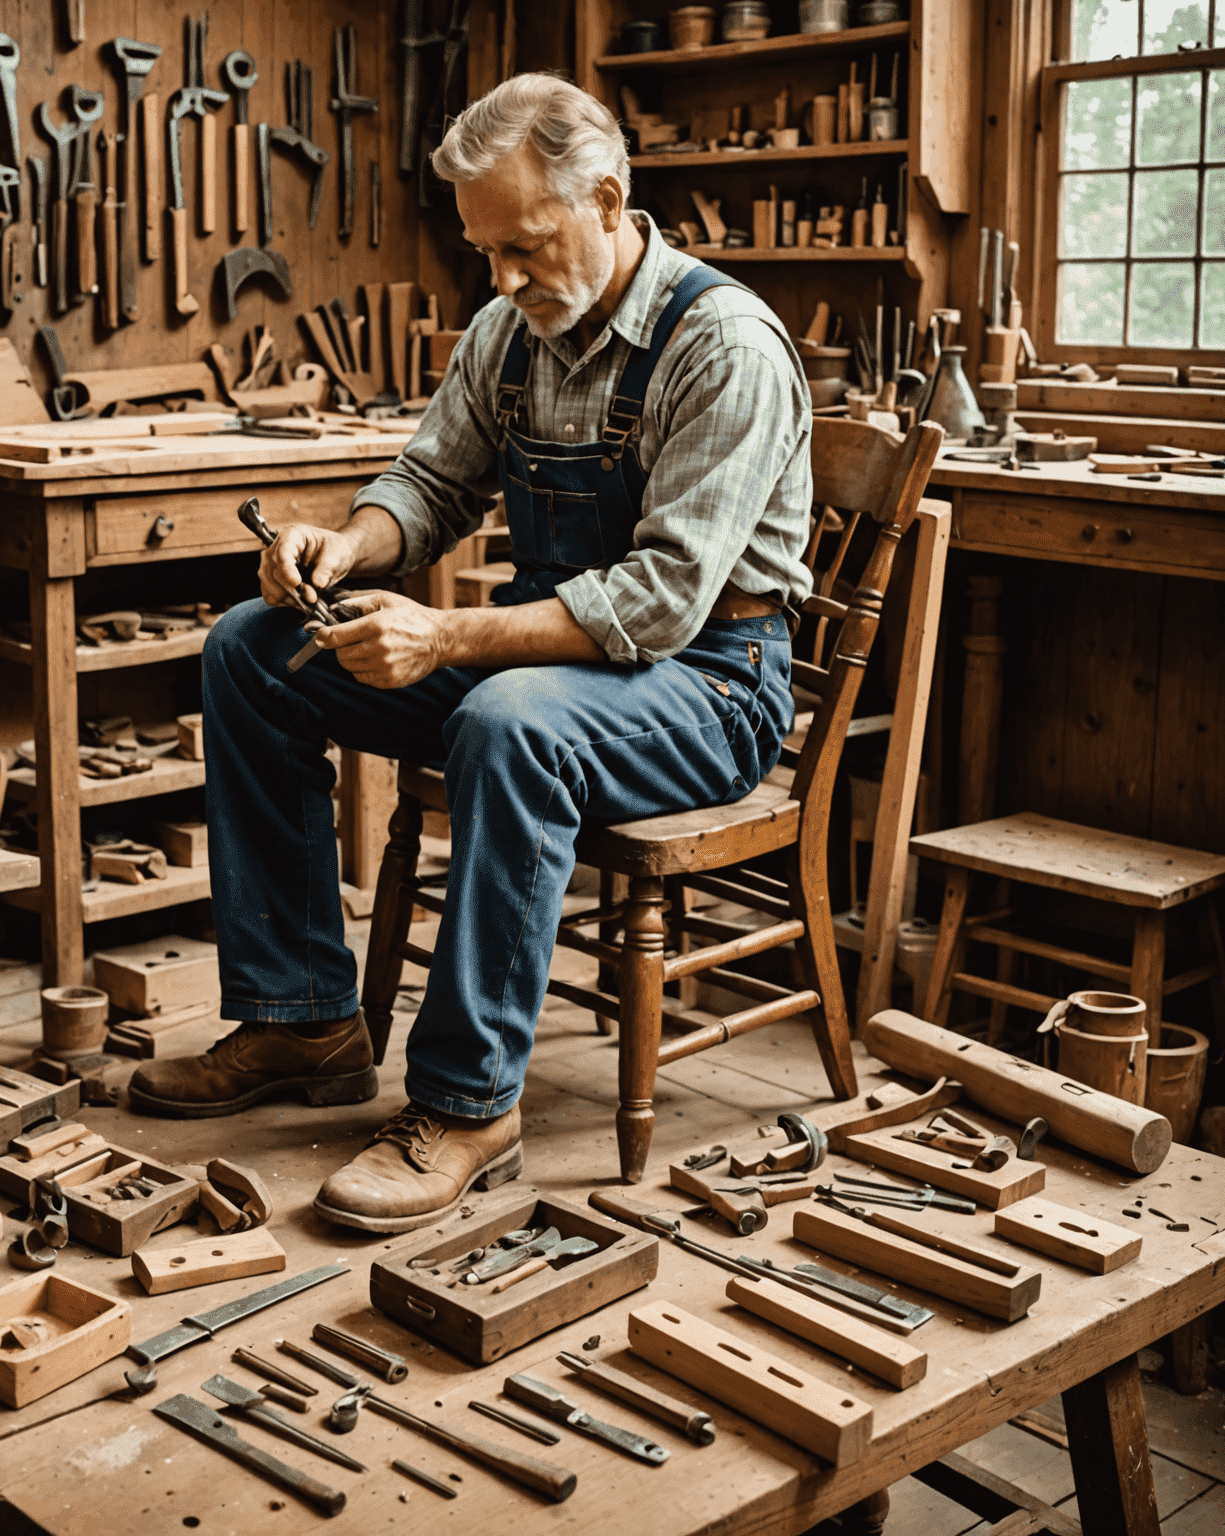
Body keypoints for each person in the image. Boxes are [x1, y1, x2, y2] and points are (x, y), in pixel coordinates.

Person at [129, 73, 813, 1234]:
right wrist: (342, 550)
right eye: (483, 252)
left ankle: (467, 1104)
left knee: (510, 722)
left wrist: (441, 634)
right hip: (550, 660)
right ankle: (305, 1020)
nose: (499, 281)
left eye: (525, 247)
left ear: (607, 198)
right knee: (255, 649)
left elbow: (659, 600)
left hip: (709, 681)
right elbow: (429, 484)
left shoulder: (724, 347)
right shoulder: (511, 329)